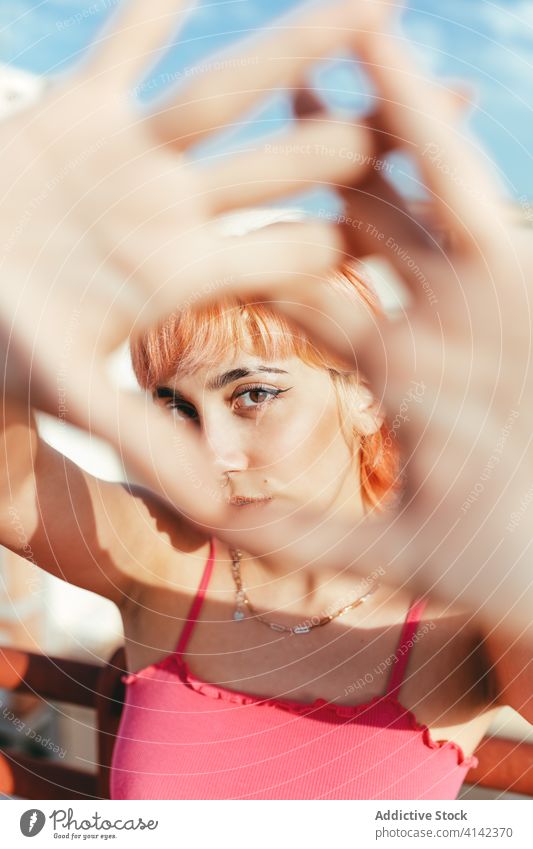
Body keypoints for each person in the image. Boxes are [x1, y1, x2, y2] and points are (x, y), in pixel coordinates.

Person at [0, 0, 531, 799]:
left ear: (365, 397)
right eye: (173, 407)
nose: (208, 452)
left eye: (252, 393)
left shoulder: (467, 612)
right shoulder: (168, 556)